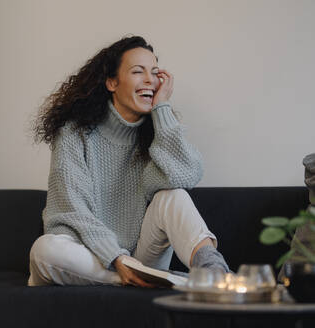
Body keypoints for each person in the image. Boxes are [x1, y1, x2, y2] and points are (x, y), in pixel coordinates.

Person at [29, 35, 230, 287]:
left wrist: (162, 109)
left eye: (155, 72)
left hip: (140, 260)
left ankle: (216, 275)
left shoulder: (156, 134)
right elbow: (73, 211)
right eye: (138, 71)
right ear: (112, 82)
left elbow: (186, 175)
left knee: (172, 195)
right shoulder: (74, 134)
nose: (150, 80)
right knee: (44, 249)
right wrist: (116, 258)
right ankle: (177, 283)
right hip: (89, 258)